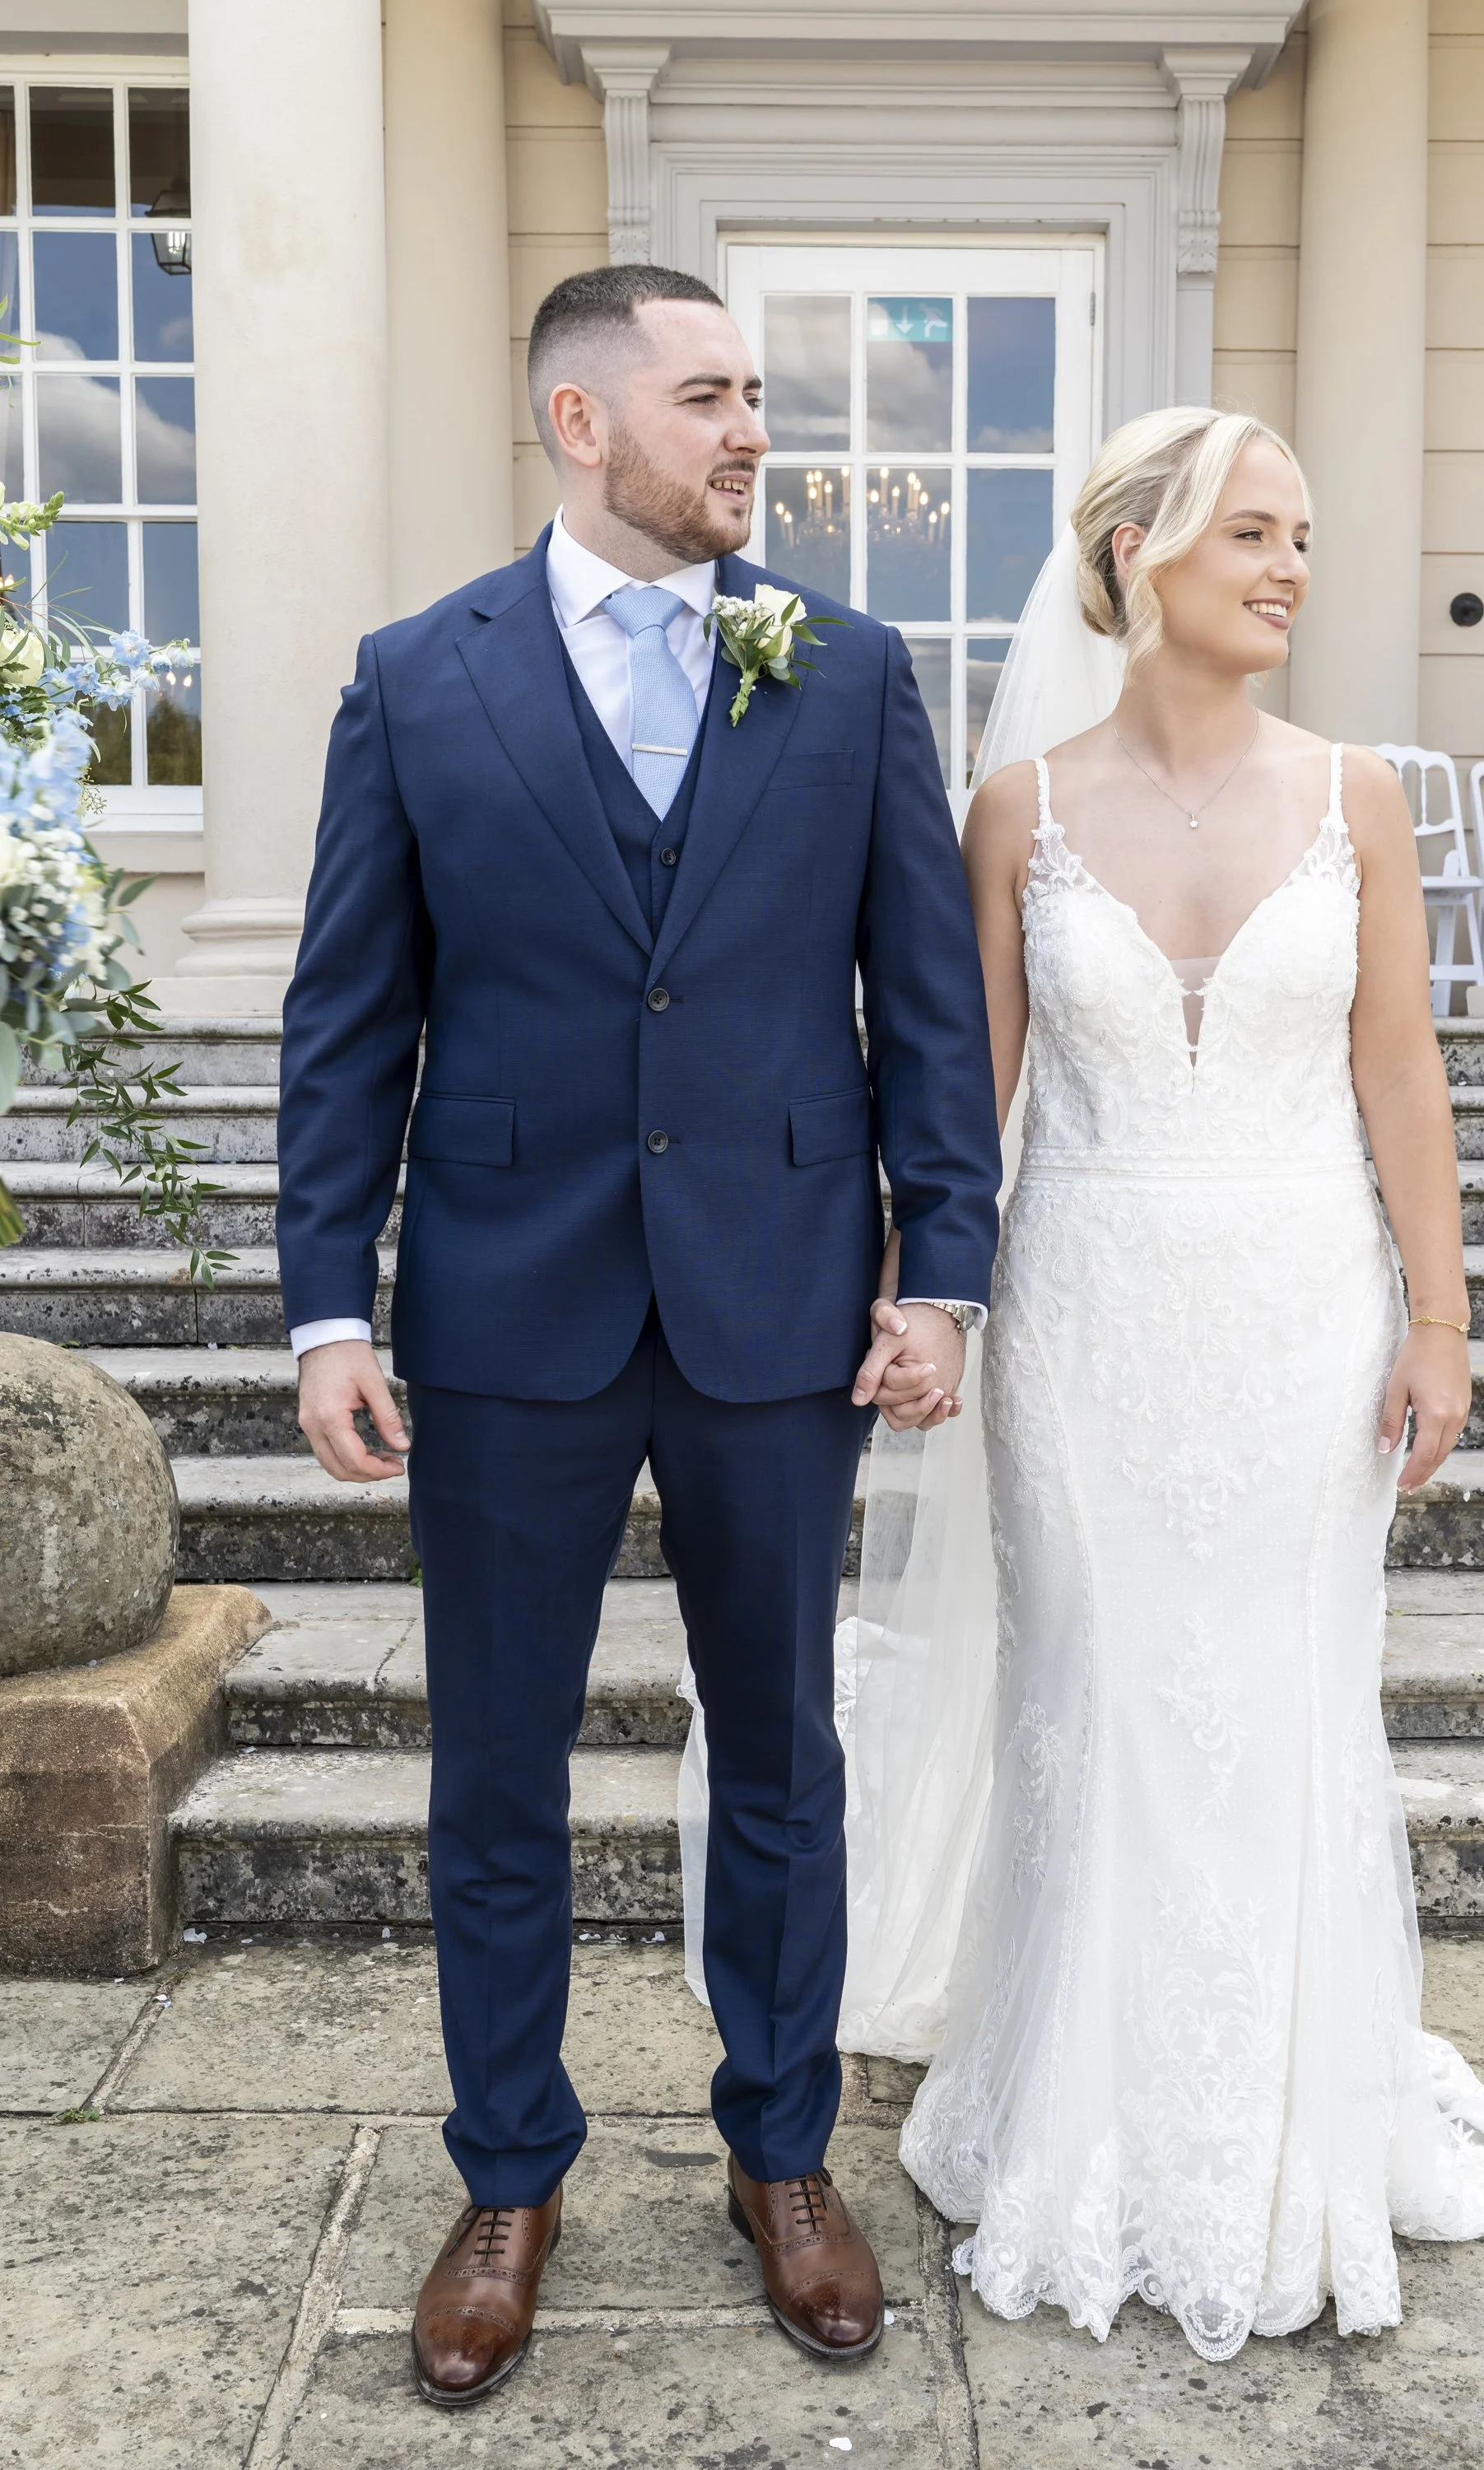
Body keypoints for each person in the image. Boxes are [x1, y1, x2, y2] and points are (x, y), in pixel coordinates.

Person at [275, 262, 1001, 2407]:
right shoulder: (418, 683)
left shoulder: (850, 675)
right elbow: (347, 1021)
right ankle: (509, 2174)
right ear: (581, 425)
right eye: (708, 399)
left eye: (755, 394)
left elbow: (927, 1011)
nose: (750, 432)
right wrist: (332, 1300)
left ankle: (783, 2153)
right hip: (506, 1305)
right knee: (495, 1767)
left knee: (784, 1748)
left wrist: (939, 1266)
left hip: (781, 1294)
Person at [831, 407, 1484, 2362]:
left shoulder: (1360, 798)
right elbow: (959, 1097)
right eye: (1252, 530)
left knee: (1278, 1704)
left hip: (1299, 1310)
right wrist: (932, 1304)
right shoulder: (1021, 812)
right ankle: (1085, 2110)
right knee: (1096, 1702)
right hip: (1080, 1318)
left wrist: (1442, 1321)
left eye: (1304, 536)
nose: (1290, 565)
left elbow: (1398, 1070)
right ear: (1137, 552)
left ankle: (1280, 2132)